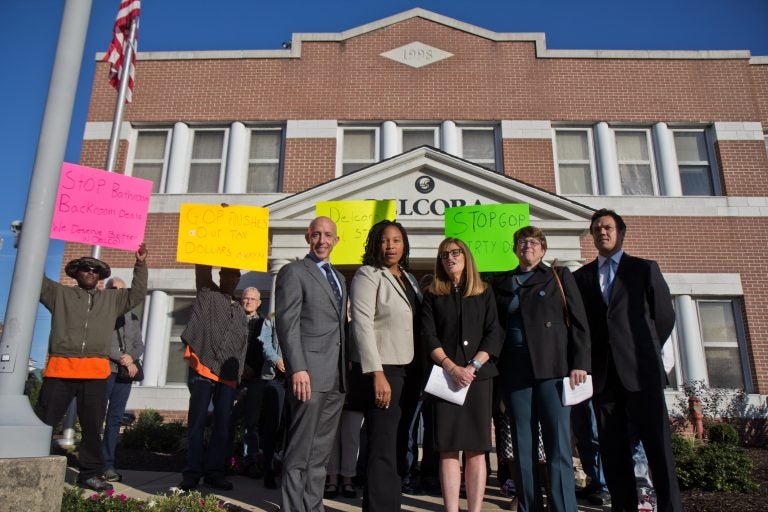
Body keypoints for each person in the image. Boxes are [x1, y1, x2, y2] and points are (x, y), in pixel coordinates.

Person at [573, 208, 681, 512]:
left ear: (621, 232)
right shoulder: (582, 277)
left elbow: (664, 317)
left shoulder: (644, 269)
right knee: (614, 451)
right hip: (606, 380)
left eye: (607, 228)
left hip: (641, 375)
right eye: (597, 229)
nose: (602, 233)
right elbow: (582, 328)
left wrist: (640, 350)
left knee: (658, 449)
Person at [488, 226, 590, 512]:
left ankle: (563, 507)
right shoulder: (502, 282)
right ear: (514, 248)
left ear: (543, 249)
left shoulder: (559, 276)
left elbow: (580, 323)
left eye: (533, 242)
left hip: (553, 369)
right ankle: (528, 506)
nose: (527, 246)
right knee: (523, 445)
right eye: (521, 242)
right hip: (515, 371)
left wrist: (579, 362)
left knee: (558, 444)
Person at [36, 244, 148, 492]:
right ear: (75, 273)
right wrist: (34, 245)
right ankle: (32, 464)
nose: (90, 271)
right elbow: (36, 279)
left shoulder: (111, 299)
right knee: (44, 422)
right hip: (60, 369)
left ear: (100, 276)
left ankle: (89, 474)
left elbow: (137, 294)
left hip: (95, 373)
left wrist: (140, 264)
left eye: (95, 270)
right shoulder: (59, 294)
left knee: (92, 427)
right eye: (85, 268)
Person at [420, 238, 503, 512]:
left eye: (456, 253)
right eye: (445, 255)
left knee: (476, 449)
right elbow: (428, 335)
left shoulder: (484, 292)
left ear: (466, 257)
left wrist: (473, 367)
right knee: (448, 447)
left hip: (478, 379)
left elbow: (494, 332)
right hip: (445, 379)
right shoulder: (433, 294)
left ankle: (475, 509)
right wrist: (451, 367)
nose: (450, 258)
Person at [276, 216, 347, 512]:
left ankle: (313, 507)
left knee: (320, 454)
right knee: (300, 450)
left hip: (336, 377)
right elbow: (287, 322)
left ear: (336, 240)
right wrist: (298, 368)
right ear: (308, 237)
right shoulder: (294, 271)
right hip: (309, 375)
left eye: (328, 235)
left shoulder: (341, 278)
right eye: (316, 234)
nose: (322, 240)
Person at [349, 220, 422, 512]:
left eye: (396, 240)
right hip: (384, 370)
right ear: (375, 244)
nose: (390, 246)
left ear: (404, 244)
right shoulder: (368, 274)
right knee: (381, 445)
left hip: (410, 371)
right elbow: (362, 325)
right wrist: (376, 373)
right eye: (384, 240)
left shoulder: (409, 278)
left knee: (398, 443)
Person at [179, 265, 249, 491]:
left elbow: (241, 346)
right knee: (197, 423)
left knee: (222, 427)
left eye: (234, 275)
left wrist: (238, 376)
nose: (230, 279)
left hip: (227, 376)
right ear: (219, 277)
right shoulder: (208, 294)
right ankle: (192, 472)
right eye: (226, 275)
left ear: (238, 279)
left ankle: (214, 472)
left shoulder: (239, 309)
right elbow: (202, 271)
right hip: (203, 368)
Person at [102, 277, 145, 483]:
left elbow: (139, 343)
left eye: (121, 289)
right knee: (95, 417)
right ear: (107, 290)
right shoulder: (101, 314)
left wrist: (132, 357)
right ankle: (93, 464)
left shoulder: (133, 317)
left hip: (125, 374)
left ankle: (108, 464)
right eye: (114, 289)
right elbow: (101, 341)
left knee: (115, 418)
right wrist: (123, 358)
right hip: (106, 371)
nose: (118, 292)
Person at [236, 287, 266, 479]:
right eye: (246, 298)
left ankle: (250, 460)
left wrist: (251, 368)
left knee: (252, 423)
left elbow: (265, 349)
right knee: (228, 421)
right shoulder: (233, 321)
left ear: (259, 303)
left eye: (253, 299)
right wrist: (241, 368)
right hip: (233, 378)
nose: (249, 302)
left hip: (256, 378)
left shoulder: (265, 323)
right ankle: (226, 460)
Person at [256, 312, 287, 489]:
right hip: (274, 378)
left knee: (290, 426)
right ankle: (268, 469)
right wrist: (277, 359)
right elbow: (265, 342)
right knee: (271, 426)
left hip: (296, 378)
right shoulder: (272, 319)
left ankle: (286, 469)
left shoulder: (302, 314)